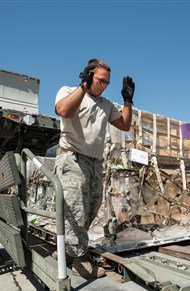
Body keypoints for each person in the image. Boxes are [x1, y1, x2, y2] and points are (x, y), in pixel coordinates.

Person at [54, 59, 135, 278]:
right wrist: (83, 86)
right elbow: (63, 110)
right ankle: (79, 261)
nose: (104, 86)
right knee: (75, 211)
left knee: (91, 208)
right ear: (89, 76)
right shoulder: (69, 91)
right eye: (100, 80)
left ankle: (68, 250)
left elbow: (125, 126)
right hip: (72, 159)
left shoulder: (106, 104)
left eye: (107, 83)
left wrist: (128, 101)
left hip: (95, 163)